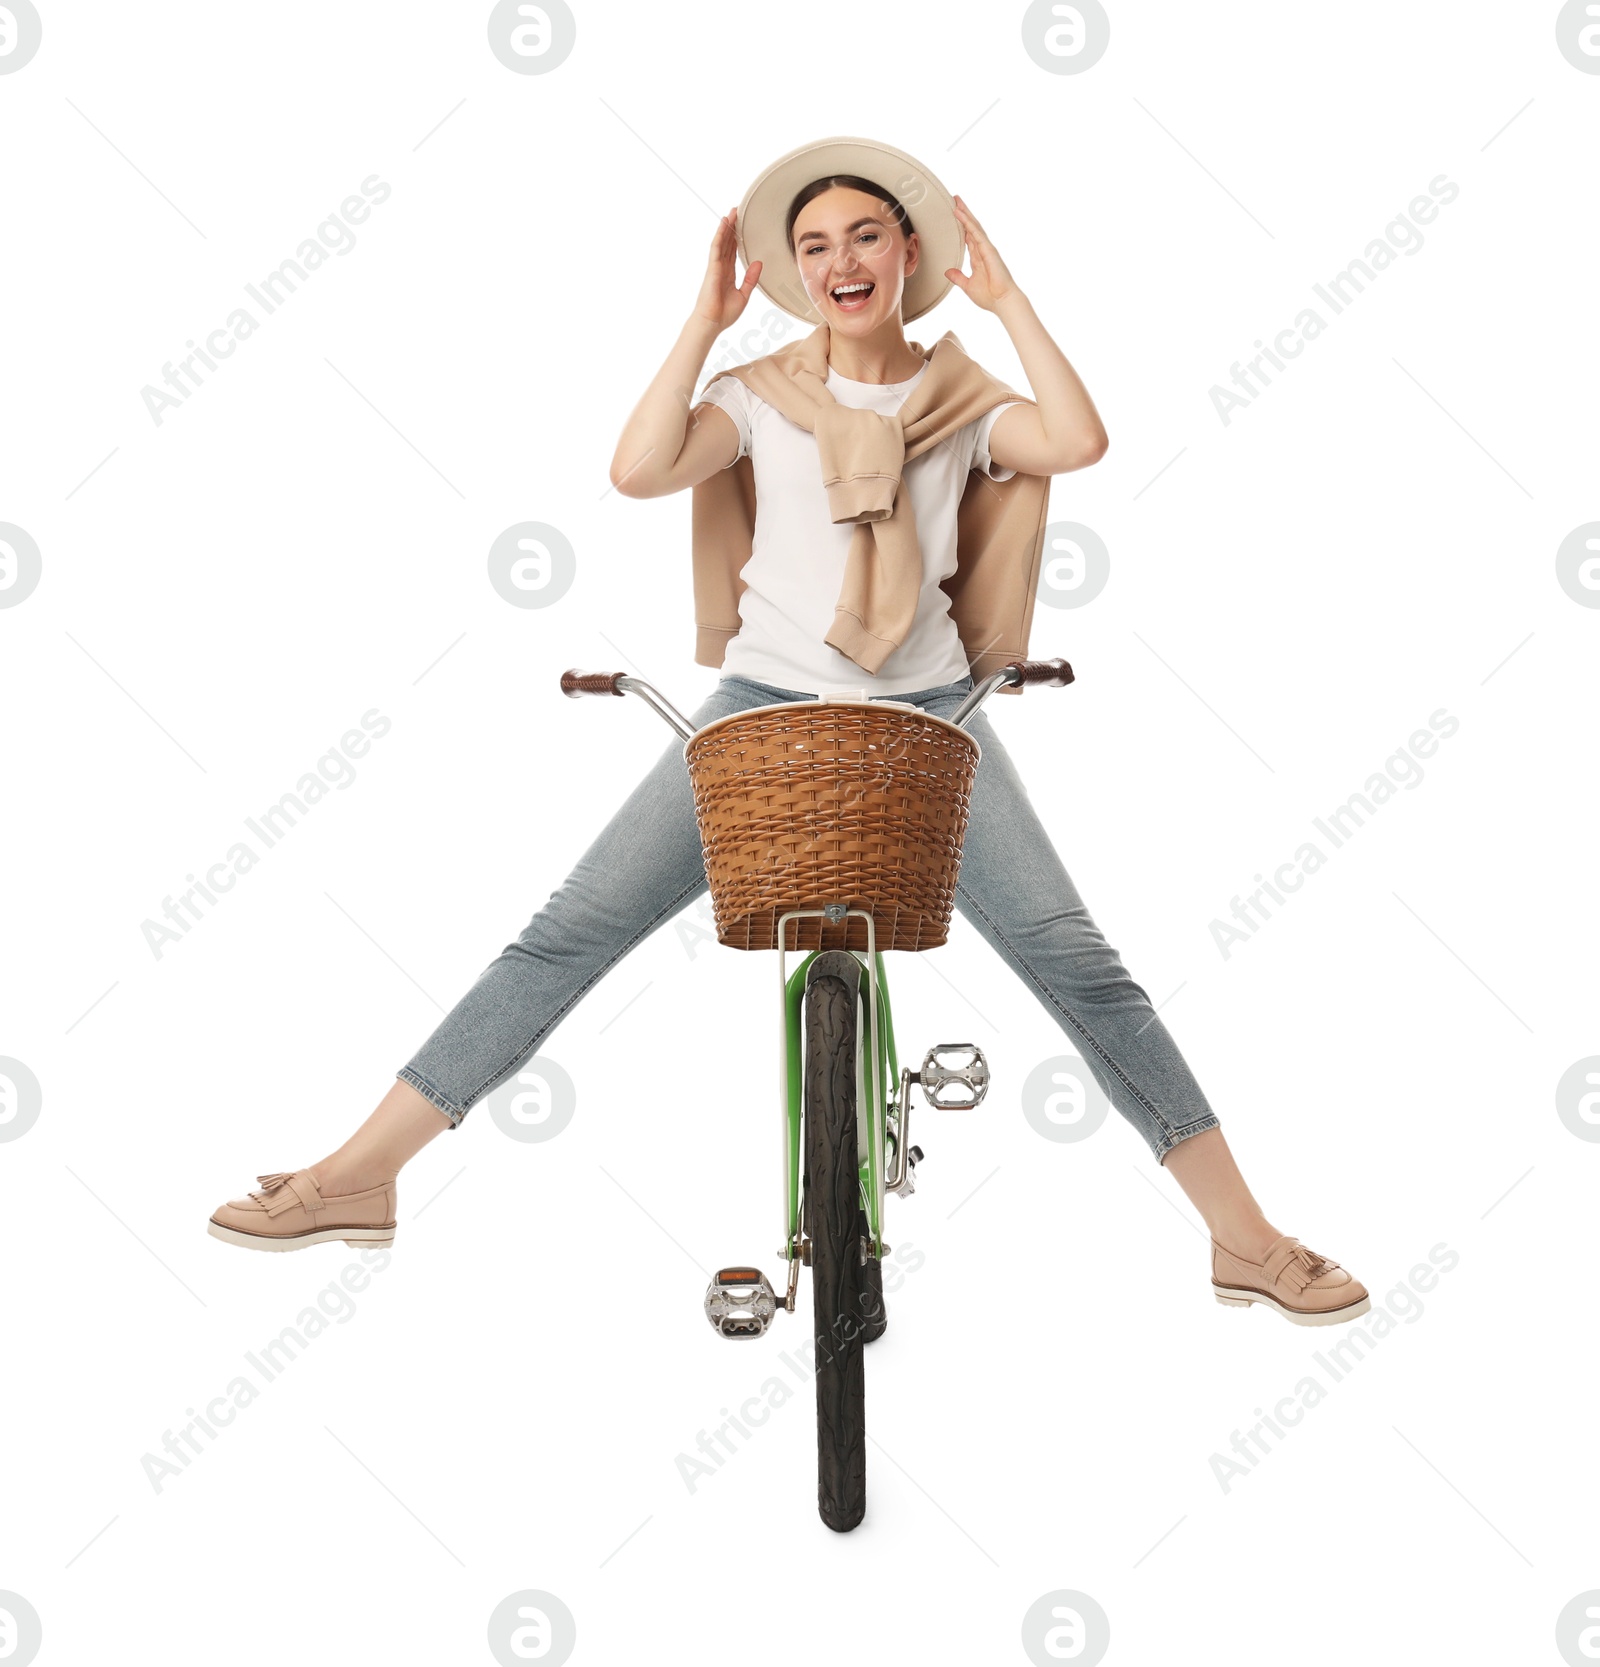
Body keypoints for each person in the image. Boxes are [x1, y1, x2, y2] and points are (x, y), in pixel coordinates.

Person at [207, 136, 1365, 1327]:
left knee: (1081, 969)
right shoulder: (758, 399)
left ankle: (1246, 1238)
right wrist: (705, 326)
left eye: (864, 235)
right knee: (564, 936)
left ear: (908, 253)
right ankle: (359, 1174)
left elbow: (1074, 442)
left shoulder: (964, 403)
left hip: (922, 716)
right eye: (811, 246)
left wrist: (1007, 299)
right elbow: (640, 468)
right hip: (762, 708)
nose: (837, 261)